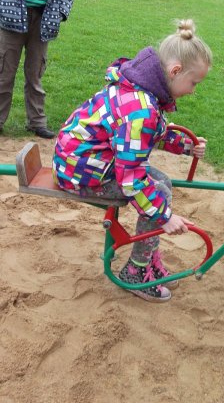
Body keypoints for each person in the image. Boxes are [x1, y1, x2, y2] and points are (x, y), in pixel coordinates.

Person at [52, 19, 212, 302]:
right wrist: (165, 217)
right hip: (80, 172)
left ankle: (147, 257)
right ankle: (136, 272)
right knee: (157, 193)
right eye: (193, 82)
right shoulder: (142, 108)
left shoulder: (142, 89)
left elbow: (148, 136)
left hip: (88, 160)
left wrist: (186, 146)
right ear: (175, 71)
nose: (193, 90)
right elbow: (131, 180)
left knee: (160, 183)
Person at [0, 0, 74, 138]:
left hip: (42, 23)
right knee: (4, 72)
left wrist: (59, 13)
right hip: (12, 18)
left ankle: (37, 122)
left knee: (35, 74)